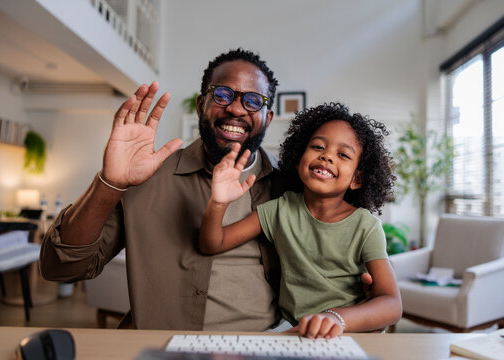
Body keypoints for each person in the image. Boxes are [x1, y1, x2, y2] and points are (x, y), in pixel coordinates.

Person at [40, 48, 285, 330]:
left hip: (262, 345)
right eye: (222, 94)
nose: (236, 108)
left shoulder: (290, 187)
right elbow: (60, 268)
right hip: (161, 345)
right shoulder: (149, 176)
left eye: (253, 101)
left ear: (267, 118)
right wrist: (110, 182)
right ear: (200, 104)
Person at [199, 103, 402, 338]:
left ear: (356, 179)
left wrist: (336, 318)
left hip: (348, 329)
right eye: (317, 146)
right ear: (298, 159)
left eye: (343, 154)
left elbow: (392, 304)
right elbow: (212, 243)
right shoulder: (280, 210)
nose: (326, 156)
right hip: (292, 329)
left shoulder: (365, 227)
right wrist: (218, 203)